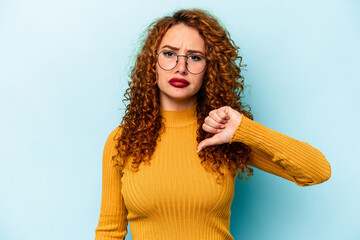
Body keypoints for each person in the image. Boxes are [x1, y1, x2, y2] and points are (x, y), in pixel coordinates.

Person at [94, 9, 331, 240]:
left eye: (195, 57)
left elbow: (317, 171)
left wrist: (246, 130)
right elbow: (109, 232)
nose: (181, 67)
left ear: (210, 69)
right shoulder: (123, 140)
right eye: (169, 53)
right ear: (151, 62)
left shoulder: (223, 133)